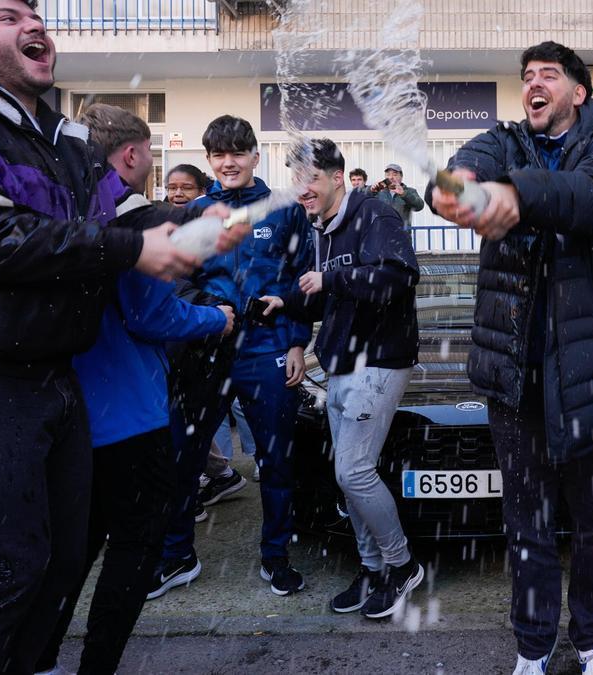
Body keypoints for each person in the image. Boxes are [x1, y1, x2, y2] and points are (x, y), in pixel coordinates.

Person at [0, 1, 243, 671]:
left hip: (50, 374)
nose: (35, 23)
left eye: (37, 12)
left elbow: (126, 211)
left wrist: (192, 223)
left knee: (58, 564)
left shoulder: (65, 138)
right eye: (9, 15)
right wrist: (132, 249)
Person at [428, 41, 593, 675]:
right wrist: (455, 187)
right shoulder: (501, 142)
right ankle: (533, 647)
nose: (533, 84)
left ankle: (592, 640)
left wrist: (519, 193)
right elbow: (459, 169)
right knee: (526, 525)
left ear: (577, 93)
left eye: (548, 76)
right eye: (526, 76)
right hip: (514, 380)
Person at [35, 103, 235, 675]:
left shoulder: (62, 212)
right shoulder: (137, 219)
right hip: (130, 414)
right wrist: (216, 318)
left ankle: (42, 658)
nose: (152, 162)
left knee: (74, 548)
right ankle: (97, 666)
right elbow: (153, 315)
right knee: (135, 544)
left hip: (72, 410)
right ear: (130, 155)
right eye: (150, 152)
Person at [149, 114, 314, 599]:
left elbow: (302, 277)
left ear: (254, 157)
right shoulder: (194, 211)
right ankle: (178, 556)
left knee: (276, 461)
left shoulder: (283, 209)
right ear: (209, 160)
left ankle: (276, 555)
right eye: (219, 154)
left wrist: (298, 342)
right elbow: (176, 277)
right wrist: (208, 310)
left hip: (267, 350)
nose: (228, 162)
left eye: (237, 152)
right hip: (203, 350)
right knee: (183, 458)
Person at [260, 137, 424, 620]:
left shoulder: (376, 214)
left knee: (353, 471)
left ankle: (402, 564)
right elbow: (323, 296)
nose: (302, 189)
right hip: (341, 362)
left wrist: (331, 281)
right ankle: (371, 567)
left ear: (337, 177)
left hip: (379, 359)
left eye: (310, 178)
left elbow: (398, 276)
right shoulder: (321, 228)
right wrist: (286, 302)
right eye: (297, 179)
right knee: (347, 476)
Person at [371, 162, 424, 227]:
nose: (391, 177)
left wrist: (404, 194)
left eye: (395, 174)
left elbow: (419, 206)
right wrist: (371, 191)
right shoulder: (379, 192)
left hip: (402, 232)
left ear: (401, 177)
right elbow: (362, 202)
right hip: (382, 233)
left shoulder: (410, 191)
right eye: (388, 175)